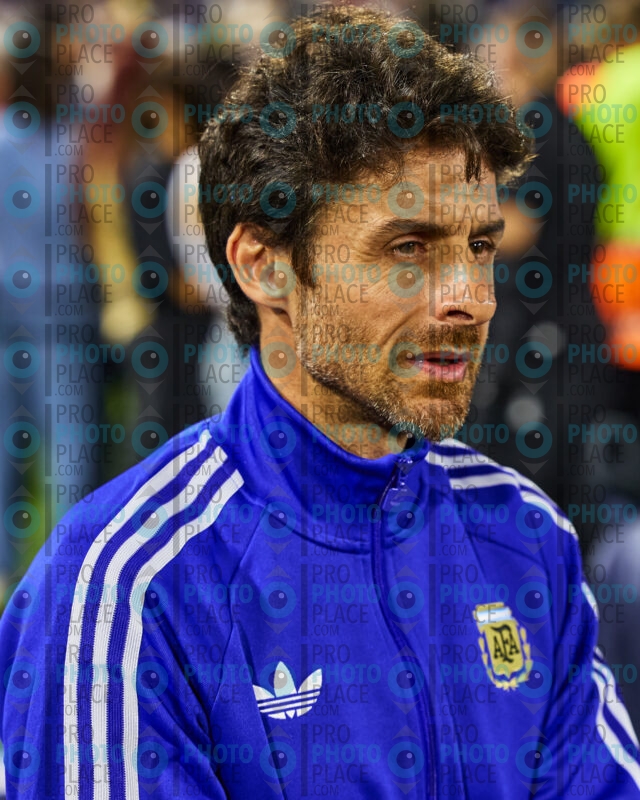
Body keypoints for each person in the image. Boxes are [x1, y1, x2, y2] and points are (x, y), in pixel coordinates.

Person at [1, 6, 638, 798]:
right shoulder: (129, 586)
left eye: (479, 245)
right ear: (263, 265)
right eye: (408, 248)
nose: (471, 299)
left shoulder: (525, 536)